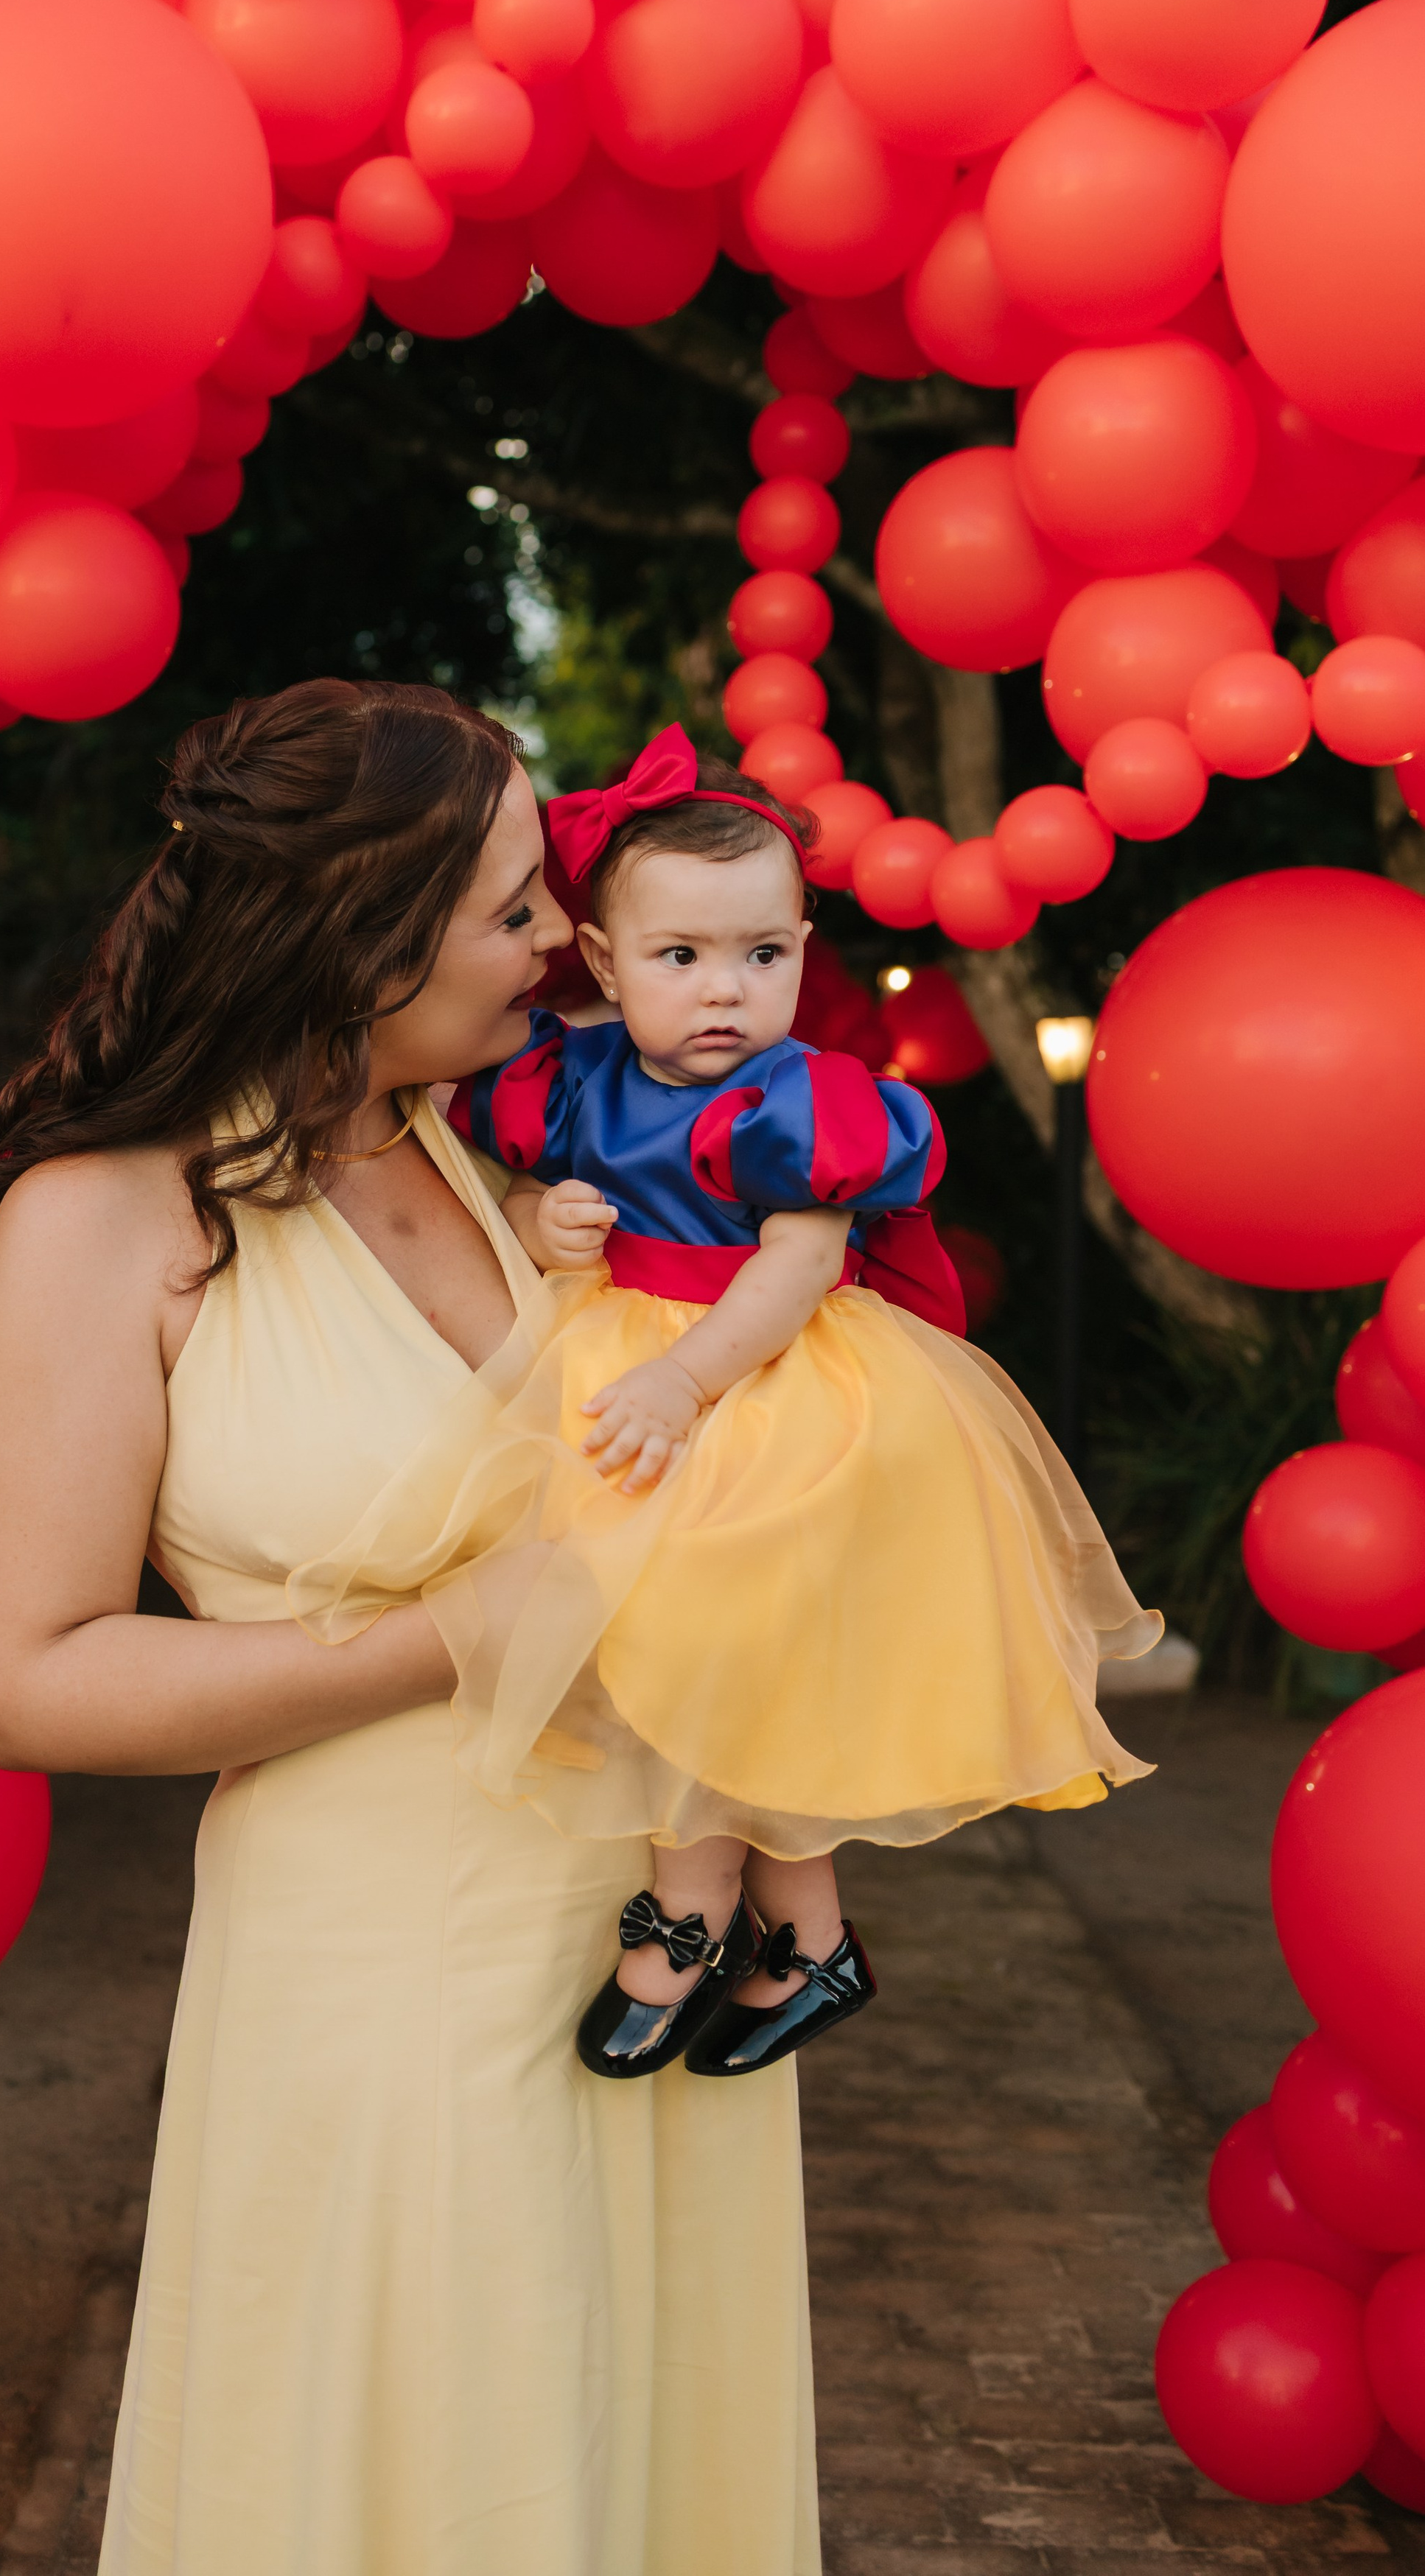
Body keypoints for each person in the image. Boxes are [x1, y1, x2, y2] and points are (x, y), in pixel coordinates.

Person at [0, 678, 824, 2576]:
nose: (559, 941)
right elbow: (20, 1680)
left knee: (632, 2461)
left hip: (638, 1956)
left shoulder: (504, 1156)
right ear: (358, 938)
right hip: (388, 1974)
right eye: (512, 908)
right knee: (438, 2471)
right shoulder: (106, 1220)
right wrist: (452, 1636)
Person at [290, 727, 1159, 2089]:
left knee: (716, 1643)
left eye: (762, 955)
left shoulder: (802, 1102)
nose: (724, 991)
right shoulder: (571, 1078)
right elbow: (517, 1195)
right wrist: (541, 1213)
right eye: (680, 957)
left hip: (759, 1377)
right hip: (621, 1358)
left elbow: (800, 1266)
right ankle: (809, 1939)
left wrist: (685, 1382)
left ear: (804, 948)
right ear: (603, 963)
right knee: (654, 1641)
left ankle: (692, 1919)